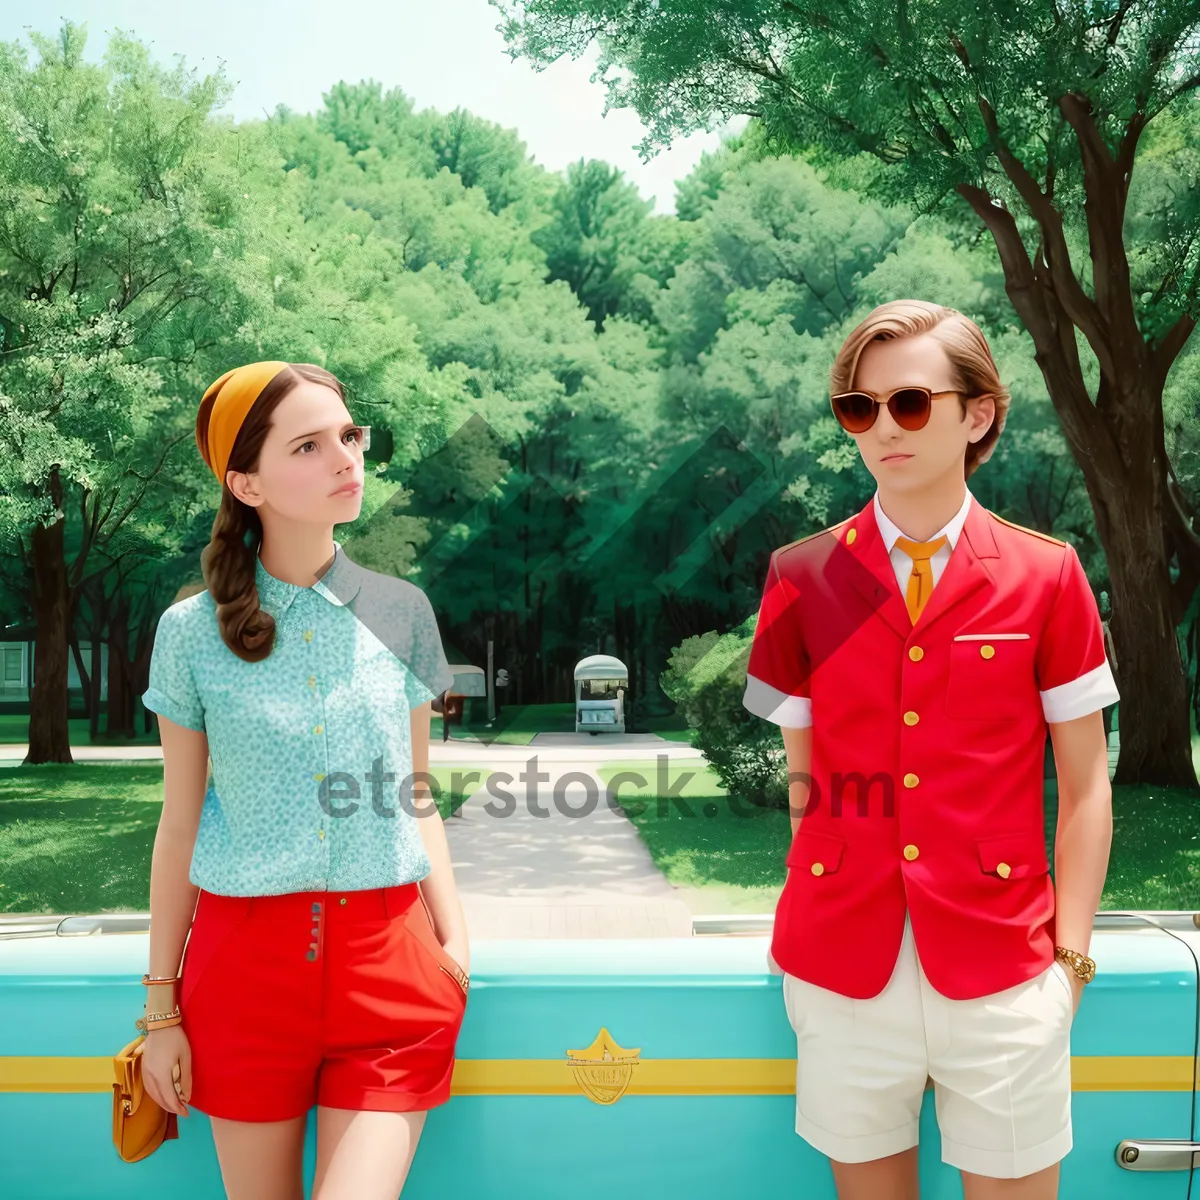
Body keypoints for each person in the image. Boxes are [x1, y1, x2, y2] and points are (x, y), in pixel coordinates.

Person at [743, 301, 1118, 1200]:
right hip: (843, 977)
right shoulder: (802, 578)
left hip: (1004, 976)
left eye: (909, 403)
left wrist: (1068, 965)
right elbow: (806, 783)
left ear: (978, 413)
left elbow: (1087, 787)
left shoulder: (1047, 574)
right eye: (858, 407)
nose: (882, 428)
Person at [137, 361, 465, 1200]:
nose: (347, 459)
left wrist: (454, 950)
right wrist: (162, 1010)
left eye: (349, 437)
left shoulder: (403, 613)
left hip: (389, 965)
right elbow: (180, 825)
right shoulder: (189, 633)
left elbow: (415, 796)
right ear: (245, 481)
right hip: (243, 972)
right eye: (311, 445)